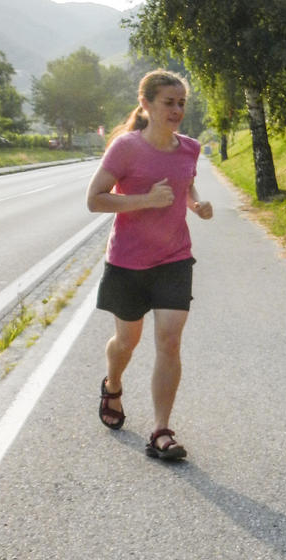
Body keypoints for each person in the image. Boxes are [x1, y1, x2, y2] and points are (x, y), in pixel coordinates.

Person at [87, 69, 213, 461]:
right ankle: (113, 383)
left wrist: (195, 203)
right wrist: (144, 200)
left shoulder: (190, 148)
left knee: (170, 341)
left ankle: (161, 430)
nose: (176, 110)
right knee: (127, 341)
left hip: (174, 258)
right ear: (146, 104)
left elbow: (185, 183)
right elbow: (95, 199)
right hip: (128, 261)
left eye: (181, 103)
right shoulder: (125, 148)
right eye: (168, 102)